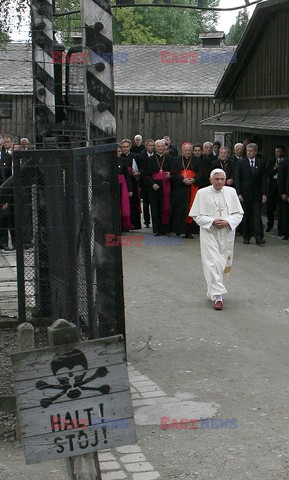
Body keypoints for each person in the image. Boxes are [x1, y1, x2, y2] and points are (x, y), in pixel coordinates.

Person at [189, 169, 243, 310]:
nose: (219, 182)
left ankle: (215, 290)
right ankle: (218, 297)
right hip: (210, 232)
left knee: (224, 263)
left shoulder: (231, 192)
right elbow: (196, 215)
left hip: (227, 232)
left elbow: (239, 214)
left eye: (222, 179)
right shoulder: (202, 193)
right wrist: (212, 221)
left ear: (225, 180)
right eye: (217, 179)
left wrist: (228, 221)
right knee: (212, 262)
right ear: (210, 180)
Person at [235, 143, 267, 245]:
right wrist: (239, 193)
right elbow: (238, 179)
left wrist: (264, 193)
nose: (249, 153)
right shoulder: (241, 162)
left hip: (257, 194)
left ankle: (258, 237)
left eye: (251, 151)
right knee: (246, 216)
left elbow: (264, 179)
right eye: (247, 151)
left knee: (257, 216)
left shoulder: (261, 163)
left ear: (256, 152)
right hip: (245, 195)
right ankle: (246, 236)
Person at [171, 142, 201, 238]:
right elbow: (173, 173)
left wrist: (194, 179)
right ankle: (178, 230)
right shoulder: (176, 160)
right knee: (179, 209)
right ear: (182, 151)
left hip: (192, 188)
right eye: (185, 150)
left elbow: (202, 173)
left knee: (190, 209)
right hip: (180, 188)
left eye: (189, 150)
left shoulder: (196, 160)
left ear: (191, 151)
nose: (187, 152)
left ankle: (189, 231)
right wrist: (182, 180)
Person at [144, 139, 172, 236]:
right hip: (155, 186)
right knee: (155, 207)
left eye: (162, 146)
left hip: (167, 184)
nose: (160, 148)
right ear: (155, 148)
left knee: (166, 207)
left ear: (164, 147)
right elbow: (146, 175)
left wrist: (170, 174)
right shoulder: (150, 159)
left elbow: (174, 171)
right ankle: (157, 229)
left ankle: (165, 228)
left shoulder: (169, 158)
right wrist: (152, 184)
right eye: (158, 146)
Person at [121, 138, 142, 230]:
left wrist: (138, 173)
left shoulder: (136, 156)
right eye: (123, 147)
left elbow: (142, 168)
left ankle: (135, 223)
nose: (125, 148)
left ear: (130, 147)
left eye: (127, 146)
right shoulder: (119, 156)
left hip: (133, 181)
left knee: (133, 203)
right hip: (123, 181)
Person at [265, 145, 285, 235]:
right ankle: (269, 225)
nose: (277, 153)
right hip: (272, 188)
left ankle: (281, 229)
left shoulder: (285, 162)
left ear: (283, 152)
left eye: (279, 152)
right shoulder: (271, 161)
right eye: (276, 151)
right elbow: (267, 173)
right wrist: (274, 168)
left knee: (281, 209)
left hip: (281, 189)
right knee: (270, 208)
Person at [116, 144, 134, 232]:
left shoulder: (123, 161)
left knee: (123, 205)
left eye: (120, 151)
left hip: (122, 184)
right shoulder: (109, 161)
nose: (119, 153)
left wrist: (130, 189)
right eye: (117, 151)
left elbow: (127, 176)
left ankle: (123, 226)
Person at [139, 139, 154, 228]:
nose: (151, 147)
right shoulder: (141, 156)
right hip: (144, 183)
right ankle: (147, 221)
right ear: (146, 146)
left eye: (152, 145)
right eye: (149, 145)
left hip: (154, 182)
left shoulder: (156, 155)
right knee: (145, 204)